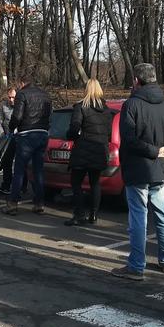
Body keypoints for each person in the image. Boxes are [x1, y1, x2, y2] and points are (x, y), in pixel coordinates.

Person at [111, 63, 164, 281]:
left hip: (139, 167)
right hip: (160, 168)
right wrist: (158, 152)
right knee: (163, 214)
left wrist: (153, 151)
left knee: (138, 217)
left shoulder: (132, 104)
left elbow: (129, 139)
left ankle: (137, 265)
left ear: (137, 80)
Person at [64, 79, 114, 226]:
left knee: (76, 183)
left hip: (83, 149)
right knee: (95, 183)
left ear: (86, 89)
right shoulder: (106, 110)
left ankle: (79, 214)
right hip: (100, 149)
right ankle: (94, 214)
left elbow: (74, 128)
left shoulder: (81, 107)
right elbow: (109, 132)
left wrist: (72, 136)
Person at [3, 72, 52, 215]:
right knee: (38, 171)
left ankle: (13, 203)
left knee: (19, 170)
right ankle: (39, 203)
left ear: (22, 83)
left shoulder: (22, 94)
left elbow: (17, 116)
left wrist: (11, 128)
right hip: (42, 133)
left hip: (26, 134)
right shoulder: (45, 95)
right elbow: (49, 115)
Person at [0, 87, 17, 195]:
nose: (11, 100)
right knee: (6, 162)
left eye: (13, 97)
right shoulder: (3, 106)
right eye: (10, 97)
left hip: (19, 137)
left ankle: (22, 185)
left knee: (20, 162)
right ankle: (6, 185)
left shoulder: (21, 106)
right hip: (8, 137)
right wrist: (2, 135)